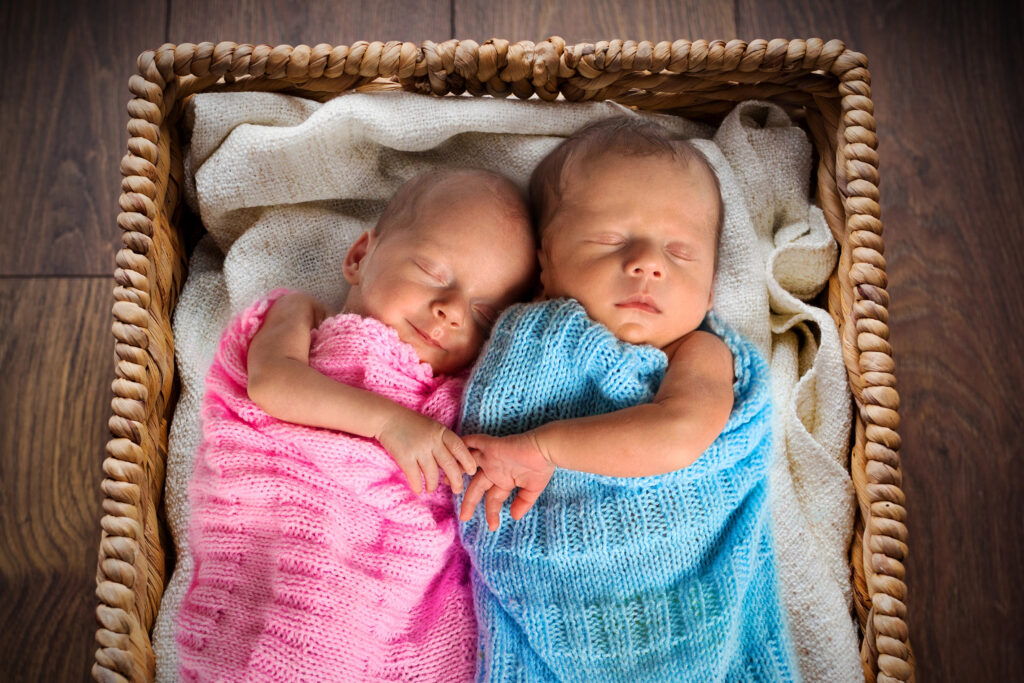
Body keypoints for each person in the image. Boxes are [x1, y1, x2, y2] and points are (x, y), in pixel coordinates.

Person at [455, 118, 798, 682]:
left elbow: (679, 434)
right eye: (610, 239)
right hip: (546, 599)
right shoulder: (520, 335)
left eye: (680, 252)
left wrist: (544, 449)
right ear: (544, 261)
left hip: (680, 597)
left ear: (710, 289)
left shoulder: (702, 354)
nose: (647, 263)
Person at [175, 167, 536, 683]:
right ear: (359, 256)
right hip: (290, 543)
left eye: (483, 314)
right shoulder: (299, 315)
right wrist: (389, 422)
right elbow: (272, 385)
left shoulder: (465, 393)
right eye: (434, 272)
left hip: (389, 594)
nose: (452, 311)